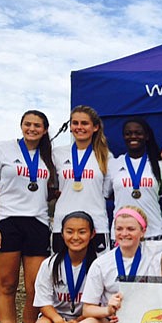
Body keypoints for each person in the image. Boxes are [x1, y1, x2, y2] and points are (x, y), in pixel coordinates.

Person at [0, 110, 57, 323]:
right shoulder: (0, 150)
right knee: (7, 284)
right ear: (21, 125)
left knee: (35, 287)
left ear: (45, 129)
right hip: (8, 222)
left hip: (37, 223)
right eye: (28, 124)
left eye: (37, 125)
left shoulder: (49, 156)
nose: (32, 129)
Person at [71, 206, 161, 323]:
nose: (124, 233)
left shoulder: (157, 251)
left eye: (131, 229)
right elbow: (87, 308)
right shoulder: (102, 263)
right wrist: (108, 310)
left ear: (143, 231)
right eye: (119, 229)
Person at [32, 211, 99, 323]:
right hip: (56, 316)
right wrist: (58, 321)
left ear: (92, 234)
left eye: (82, 232)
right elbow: (43, 302)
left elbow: (101, 303)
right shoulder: (50, 264)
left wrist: (79, 321)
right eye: (70, 231)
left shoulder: (99, 264)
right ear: (62, 234)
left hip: (87, 317)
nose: (75, 237)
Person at [52, 106, 112, 254]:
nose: (79, 127)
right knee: (62, 271)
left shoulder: (106, 156)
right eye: (75, 123)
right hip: (63, 223)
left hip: (96, 223)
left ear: (95, 127)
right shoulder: (57, 154)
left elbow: (105, 192)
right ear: (70, 126)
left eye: (84, 123)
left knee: (97, 273)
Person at [110, 117, 162, 240]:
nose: (133, 136)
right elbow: (108, 193)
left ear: (146, 136)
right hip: (122, 232)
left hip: (153, 231)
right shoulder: (113, 164)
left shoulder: (159, 165)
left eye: (138, 133)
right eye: (128, 134)